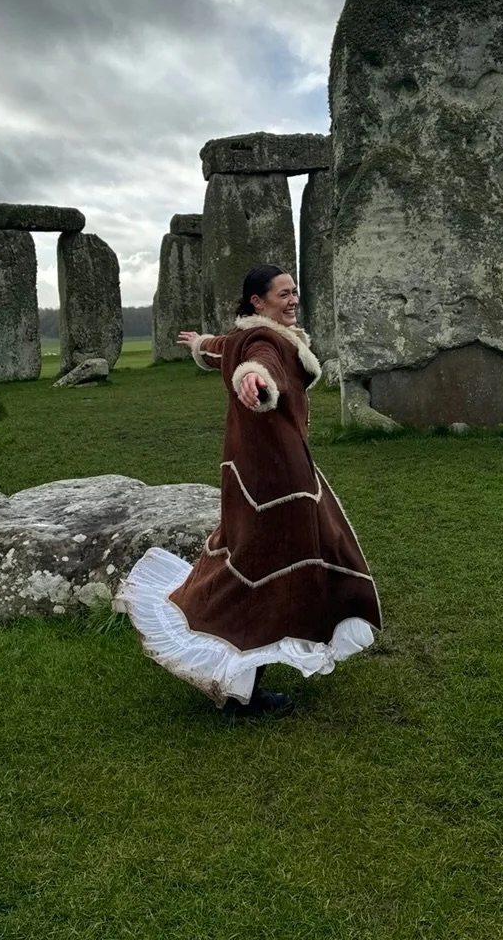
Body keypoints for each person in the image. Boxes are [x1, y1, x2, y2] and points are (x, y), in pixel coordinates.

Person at [116, 264, 381, 718]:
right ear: (258, 303)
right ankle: (244, 691)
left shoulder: (247, 335)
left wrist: (200, 343)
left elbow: (226, 348)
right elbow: (260, 365)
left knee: (266, 563)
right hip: (277, 480)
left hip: (258, 473)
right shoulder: (265, 342)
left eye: (295, 291)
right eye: (283, 294)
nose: (293, 299)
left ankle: (246, 680)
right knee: (271, 570)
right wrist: (253, 380)